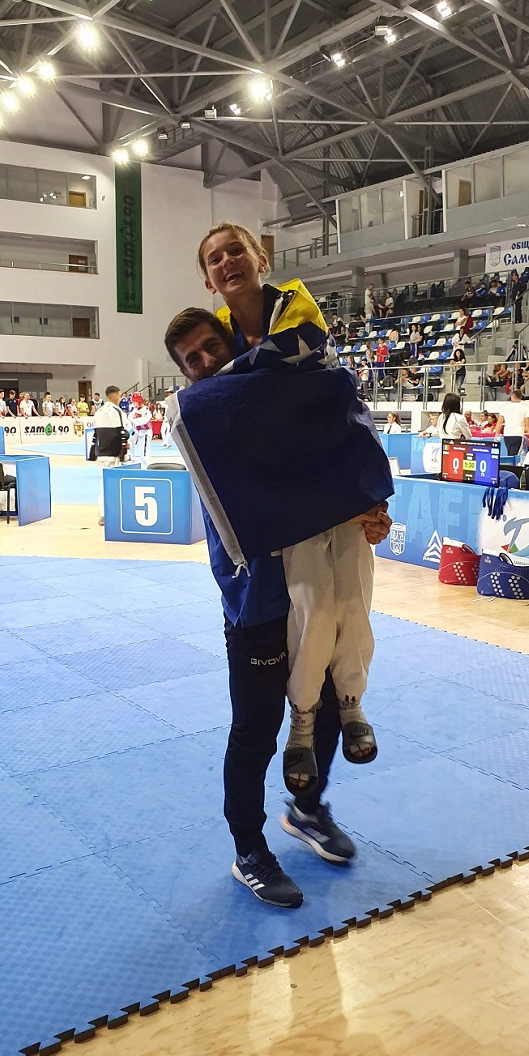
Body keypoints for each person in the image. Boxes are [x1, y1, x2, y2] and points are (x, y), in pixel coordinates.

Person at [164, 302, 391, 909]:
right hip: (255, 599)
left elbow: (325, 465)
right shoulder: (204, 421)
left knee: (322, 702)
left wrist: (366, 511)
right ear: (184, 373)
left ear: (233, 345)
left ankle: (307, 809)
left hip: (311, 588)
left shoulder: (271, 402)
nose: (205, 361)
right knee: (257, 729)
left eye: (212, 347)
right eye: (192, 359)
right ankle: (249, 851)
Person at [175, 222, 391, 790]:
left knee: (353, 603)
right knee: (315, 610)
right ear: (208, 280)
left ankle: (351, 705)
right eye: (214, 258)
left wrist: (369, 497)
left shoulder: (296, 307)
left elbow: (323, 383)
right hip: (287, 509)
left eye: (236, 251)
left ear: (260, 259)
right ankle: (303, 726)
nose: (227, 262)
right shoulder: (218, 339)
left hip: (334, 483)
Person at [93, 385, 128, 526]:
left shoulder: (98, 412)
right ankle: (106, 514)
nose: (120, 399)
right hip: (113, 454)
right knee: (113, 485)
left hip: (101, 453)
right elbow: (125, 431)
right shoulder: (117, 411)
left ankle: (104, 513)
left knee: (104, 483)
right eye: (119, 396)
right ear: (114, 396)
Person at [497, 388, 526, 454]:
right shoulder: (525, 408)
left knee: (509, 453)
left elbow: (499, 422)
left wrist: (496, 435)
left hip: (507, 434)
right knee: (516, 455)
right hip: (518, 434)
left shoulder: (504, 408)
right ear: (521, 397)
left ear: (512, 396)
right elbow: (528, 423)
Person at [127, 394, 152, 466]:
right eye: (133, 402)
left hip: (145, 432)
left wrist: (134, 420)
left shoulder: (146, 410)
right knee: (130, 442)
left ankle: (147, 465)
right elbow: (129, 416)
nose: (134, 404)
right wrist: (132, 420)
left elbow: (144, 420)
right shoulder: (134, 409)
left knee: (142, 453)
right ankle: (132, 459)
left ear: (139, 402)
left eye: (135, 402)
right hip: (137, 431)